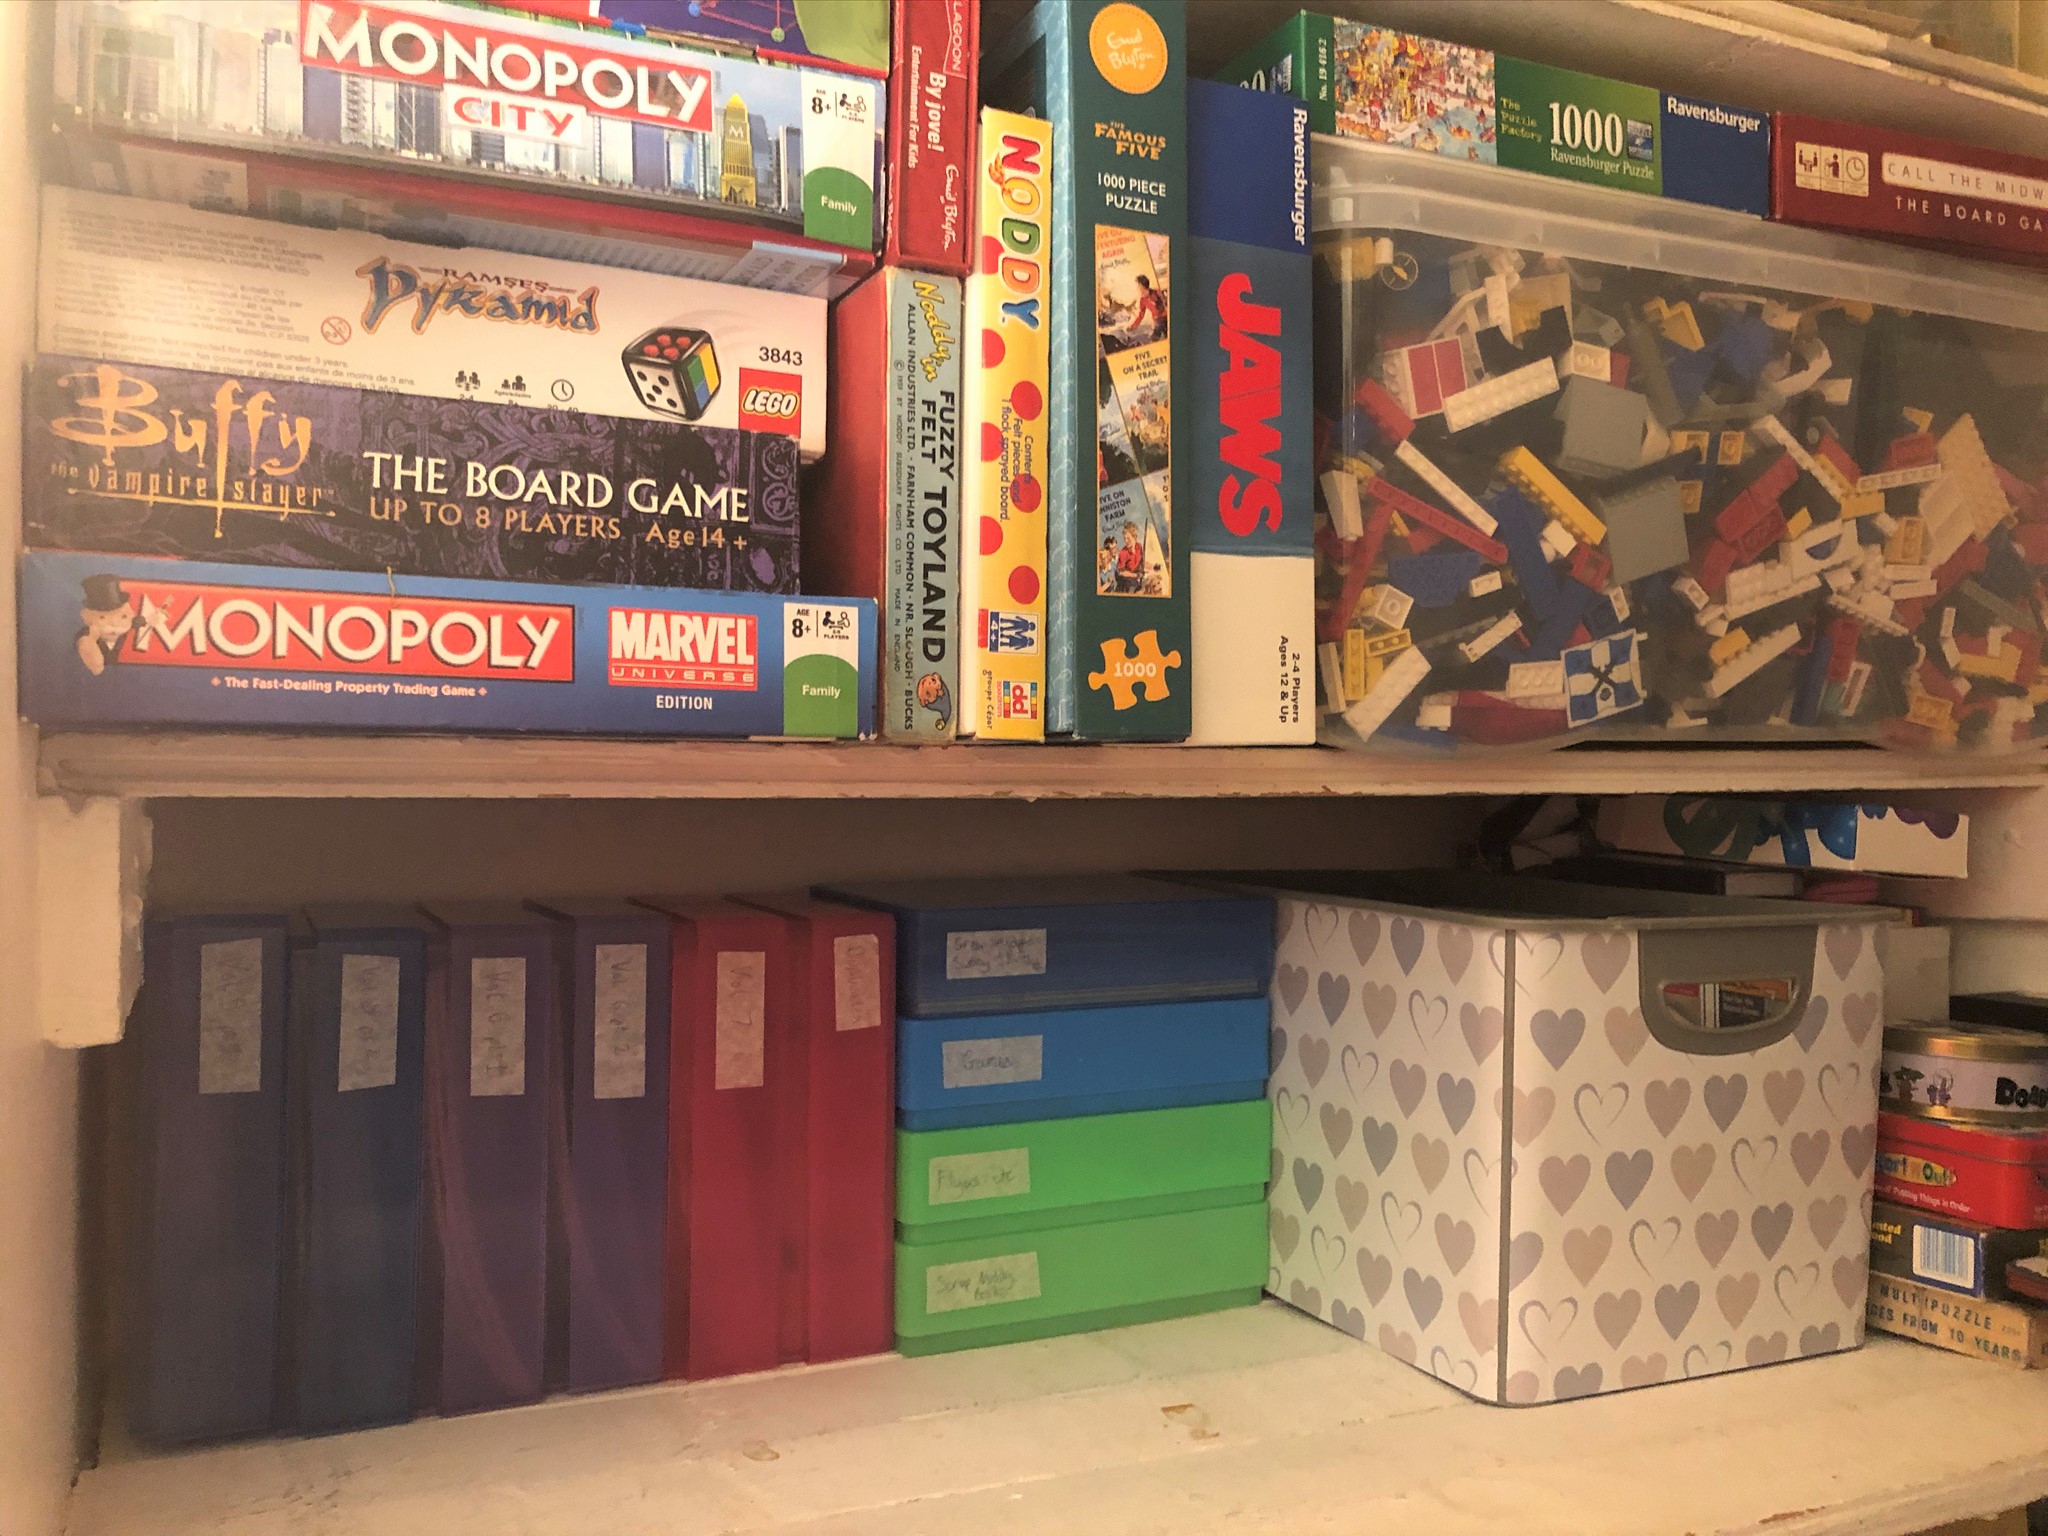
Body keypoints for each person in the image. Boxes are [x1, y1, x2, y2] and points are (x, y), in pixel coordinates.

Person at [1115, 524, 1144, 593]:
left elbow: (1140, 561)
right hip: (1126, 584)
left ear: (1135, 537)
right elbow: (1120, 572)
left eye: (1128, 538)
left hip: (1136, 580)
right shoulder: (1123, 553)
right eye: (1124, 538)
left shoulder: (1139, 547)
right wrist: (1135, 575)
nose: (1126, 541)